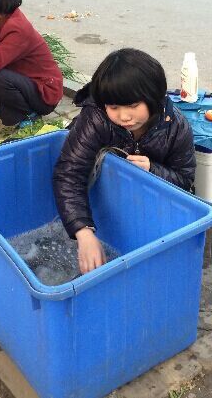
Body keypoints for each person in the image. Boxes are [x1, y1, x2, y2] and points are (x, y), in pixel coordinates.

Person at [52, 48, 196, 274]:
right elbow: (70, 173)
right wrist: (84, 231)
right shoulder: (95, 119)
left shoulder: (176, 127)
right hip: (99, 203)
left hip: (142, 211)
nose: (124, 116)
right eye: (114, 107)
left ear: (154, 98)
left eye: (132, 105)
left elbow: (185, 181)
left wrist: (153, 169)